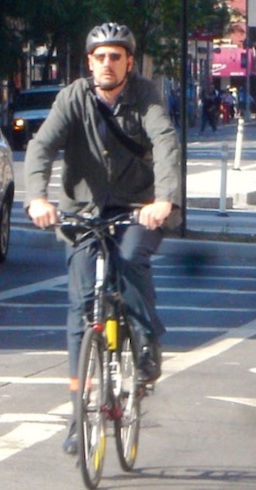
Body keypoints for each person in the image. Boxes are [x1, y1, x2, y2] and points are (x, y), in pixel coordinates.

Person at [24, 22, 181, 455]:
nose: (107, 63)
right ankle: (78, 418)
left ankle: (147, 339)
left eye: (116, 56)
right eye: (99, 56)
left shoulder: (145, 96)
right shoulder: (73, 97)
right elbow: (41, 147)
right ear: (89, 61)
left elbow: (166, 144)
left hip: (137, 209)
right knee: (79, 312)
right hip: (82, 212)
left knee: (131, 257)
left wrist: (164, 200)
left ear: (129, 61)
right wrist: (37, 197)